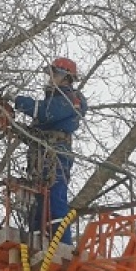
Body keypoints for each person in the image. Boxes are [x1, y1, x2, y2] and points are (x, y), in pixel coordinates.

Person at [12, 57, 87, 244]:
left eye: (53, 74)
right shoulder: (53, 102)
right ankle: (38, 242)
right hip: (39, 158)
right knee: (37, 204)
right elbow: (34, 134)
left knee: (55, 199)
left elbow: (45, 111)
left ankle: (62, 245)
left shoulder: (70, 99)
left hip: (57, 156)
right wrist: (12, 125)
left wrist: (17, 100)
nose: (50, 78)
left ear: (65, 76)